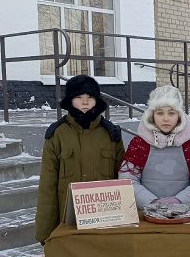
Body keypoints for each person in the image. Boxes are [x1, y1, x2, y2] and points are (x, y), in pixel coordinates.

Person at [35, 75, 125, 244]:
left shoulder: (111, 134)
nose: (85, 102)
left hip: (105, 221)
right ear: (70, 100)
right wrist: (45, 232)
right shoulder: (57, 134)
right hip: (69, 222)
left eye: (90, 97)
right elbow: (48, 186)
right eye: (78, 97)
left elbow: (124, 180)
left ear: (97, 100)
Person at [119, 85, 190, 209]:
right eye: (160, 113)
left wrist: (179, 201)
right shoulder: (140, 144)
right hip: (146, 212)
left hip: (183, 212)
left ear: (179, 115)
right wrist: (151, 202)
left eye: (171, 113)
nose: (166, 119)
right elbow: (128, 179)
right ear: (152, 115)